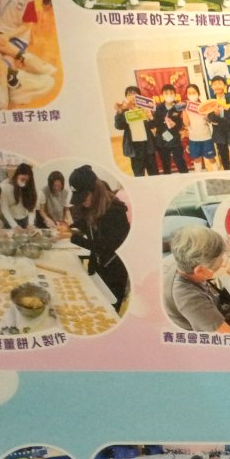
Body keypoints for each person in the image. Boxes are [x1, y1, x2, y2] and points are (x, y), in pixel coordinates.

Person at [63, 166, 131, 310]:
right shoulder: (91, 206)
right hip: (98, 266)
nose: (82, 202)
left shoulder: (115, 211)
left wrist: (72, 237)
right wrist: (69, 227)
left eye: (83, 197)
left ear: (94, 191)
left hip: (114, 273)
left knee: (108, 311)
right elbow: (86, 224)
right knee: (93, 305)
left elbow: (103, 247)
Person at [112, 86, 154, 176]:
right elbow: (119, 126)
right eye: (129, 94)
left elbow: (153, 125)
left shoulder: (145, 109)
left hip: (147, 144)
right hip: (134, 146)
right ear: (126, 97)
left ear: (139, 96)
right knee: (138, 173)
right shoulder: (124, 111)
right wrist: (119, 112)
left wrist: (150, 117)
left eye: (135, 93)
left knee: (153, 171)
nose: (132, 96)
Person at [207, 76, 230, 170]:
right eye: (215, 84)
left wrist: (220, 117)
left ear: (225, 85)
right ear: (212, 87)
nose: (217, 86)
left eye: (220, 83)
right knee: (224, 157)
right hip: (219, 134)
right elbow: (210, 118)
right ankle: (227, 173)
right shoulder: (211, 101)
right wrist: (215, 115)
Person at [151, 83, 186, 174]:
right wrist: (151, 117)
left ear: (175, 94)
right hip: (162, 139)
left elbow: (181, 124)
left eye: (171, 93)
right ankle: (168, 179)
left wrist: (175, 124)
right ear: (162, 95)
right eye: (166, 93)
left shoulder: (179, 107)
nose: (169, 95)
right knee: (165, 164)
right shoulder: (158, 108)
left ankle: (185, 177)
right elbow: (154, 124)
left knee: (180, 161)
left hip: (175, 139)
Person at [181, 83, 217, 170]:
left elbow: (209, 121)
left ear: (198, 93)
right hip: (194, 138)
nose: (192, 95)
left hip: (206, 137)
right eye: (189, 93)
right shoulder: (186, 107)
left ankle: (216, 173)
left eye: (194, 92)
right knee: (196, 159)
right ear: (187, 95)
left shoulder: (204, 105)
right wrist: (184, 111)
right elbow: (186, 124)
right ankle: (199, 176)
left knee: (211, 158)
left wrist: (206, 113)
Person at [0, 162, 34, 227]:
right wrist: (15, 226)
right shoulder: (3, 186)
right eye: (22, 179)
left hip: (25, 218)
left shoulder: (28, 186)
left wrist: (31, 224)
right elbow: (5, 209)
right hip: (10, 219)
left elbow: (31, 207)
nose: (24, 182)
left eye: (27, 180)